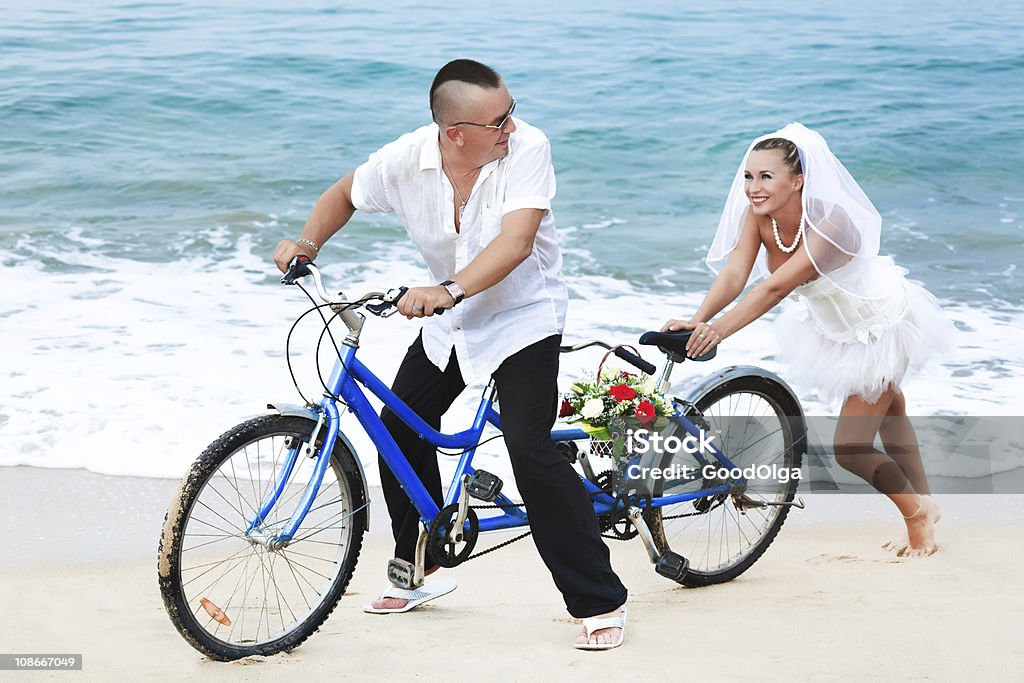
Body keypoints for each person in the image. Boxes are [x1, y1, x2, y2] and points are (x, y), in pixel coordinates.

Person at [273, 59, 627, 649]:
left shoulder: (527, 147)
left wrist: (449, 289)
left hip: (522, 316)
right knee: (400, 427)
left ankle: (598, 599)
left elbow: (516, 244)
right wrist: (306, 244)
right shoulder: (406, 159)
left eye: (511, 110)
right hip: (452, 321)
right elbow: (345, 193)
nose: (512, 125)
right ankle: (422, 564)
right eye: (499, 119)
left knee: (529, 449)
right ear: (454, 131)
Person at [662, 123, 955, 557]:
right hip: (834, 329)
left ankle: (917, 516)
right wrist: (697, 319)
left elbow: (774, 288)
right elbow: (735, 274)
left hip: (880, 324)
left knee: (851, 448)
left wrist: (718, 331)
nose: (753, 187)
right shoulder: (759, 217)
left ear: (797, 180)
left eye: (766, 177)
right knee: (891, 411)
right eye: (748, 176)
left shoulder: (832, 222)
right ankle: (925, 505)